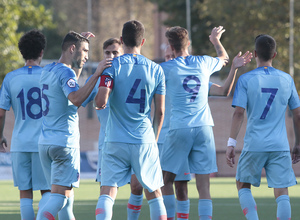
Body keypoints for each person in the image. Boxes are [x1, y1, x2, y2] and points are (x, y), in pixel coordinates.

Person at [158, 45, 252, 219]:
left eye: (172, 56)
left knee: (181, 187)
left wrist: (232, 68)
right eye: (167, 57)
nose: (171, 60)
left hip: (179, 134)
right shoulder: (161, 79)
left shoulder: (196, 81)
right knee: (167, 184)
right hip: (164, 138)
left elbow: (223, 91)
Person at [94, 20, 167, 220]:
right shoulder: (156, 69)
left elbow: (101, 102)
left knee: (107, 193)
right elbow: (159, 112)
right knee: (154, 194)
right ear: (142, 41)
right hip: (144, 139)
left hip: (115, 139)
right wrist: (154, 139)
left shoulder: (111, 66)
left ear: (121, 40)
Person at [36, 31, 111, 220]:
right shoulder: (65, 72)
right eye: (84, 50)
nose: (87, 56)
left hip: (45, 142)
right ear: (72, 49)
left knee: (66, 199)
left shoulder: (48, 69)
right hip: (64, 144)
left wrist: (79, 38)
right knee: (59, 200)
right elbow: (76, 98)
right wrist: (97, 74)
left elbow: (71, 84)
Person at [226, 34, 300, 220]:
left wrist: (231, 142)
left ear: (256, 53)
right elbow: (297, 114)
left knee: (242, 184)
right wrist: (298, 143)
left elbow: (238, 113)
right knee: (281, 191)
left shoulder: (246, 80)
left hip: (254, 145)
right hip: (280, 146)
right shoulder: (286, 79)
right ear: (274, 55)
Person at [159, 26, 228, 220]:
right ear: (188, 43)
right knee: (204, 186)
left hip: (180, 127)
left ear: (171, 47)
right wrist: (216, 41)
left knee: (165, 181)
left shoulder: (166, 68)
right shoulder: (204, 62)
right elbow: (224, 58)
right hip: (204, 127)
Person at [82, 37, 144, 220]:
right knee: (107, 189)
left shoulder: (133, 74)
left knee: (137, 186)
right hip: (109, 141)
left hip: (135, 139)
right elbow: (78, 99)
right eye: (107, 53)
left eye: (115, 52)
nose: (111, 56)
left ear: (123, 52)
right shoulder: (100, 77)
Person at [0, 29, 50, 220]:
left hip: (20, 144)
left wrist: (0, 136)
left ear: (22, 52)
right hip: (44, 142)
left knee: (25, 194)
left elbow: (0, 113)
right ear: (41, 52)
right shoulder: (48, 75)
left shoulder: (11, 78)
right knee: (47, 192)